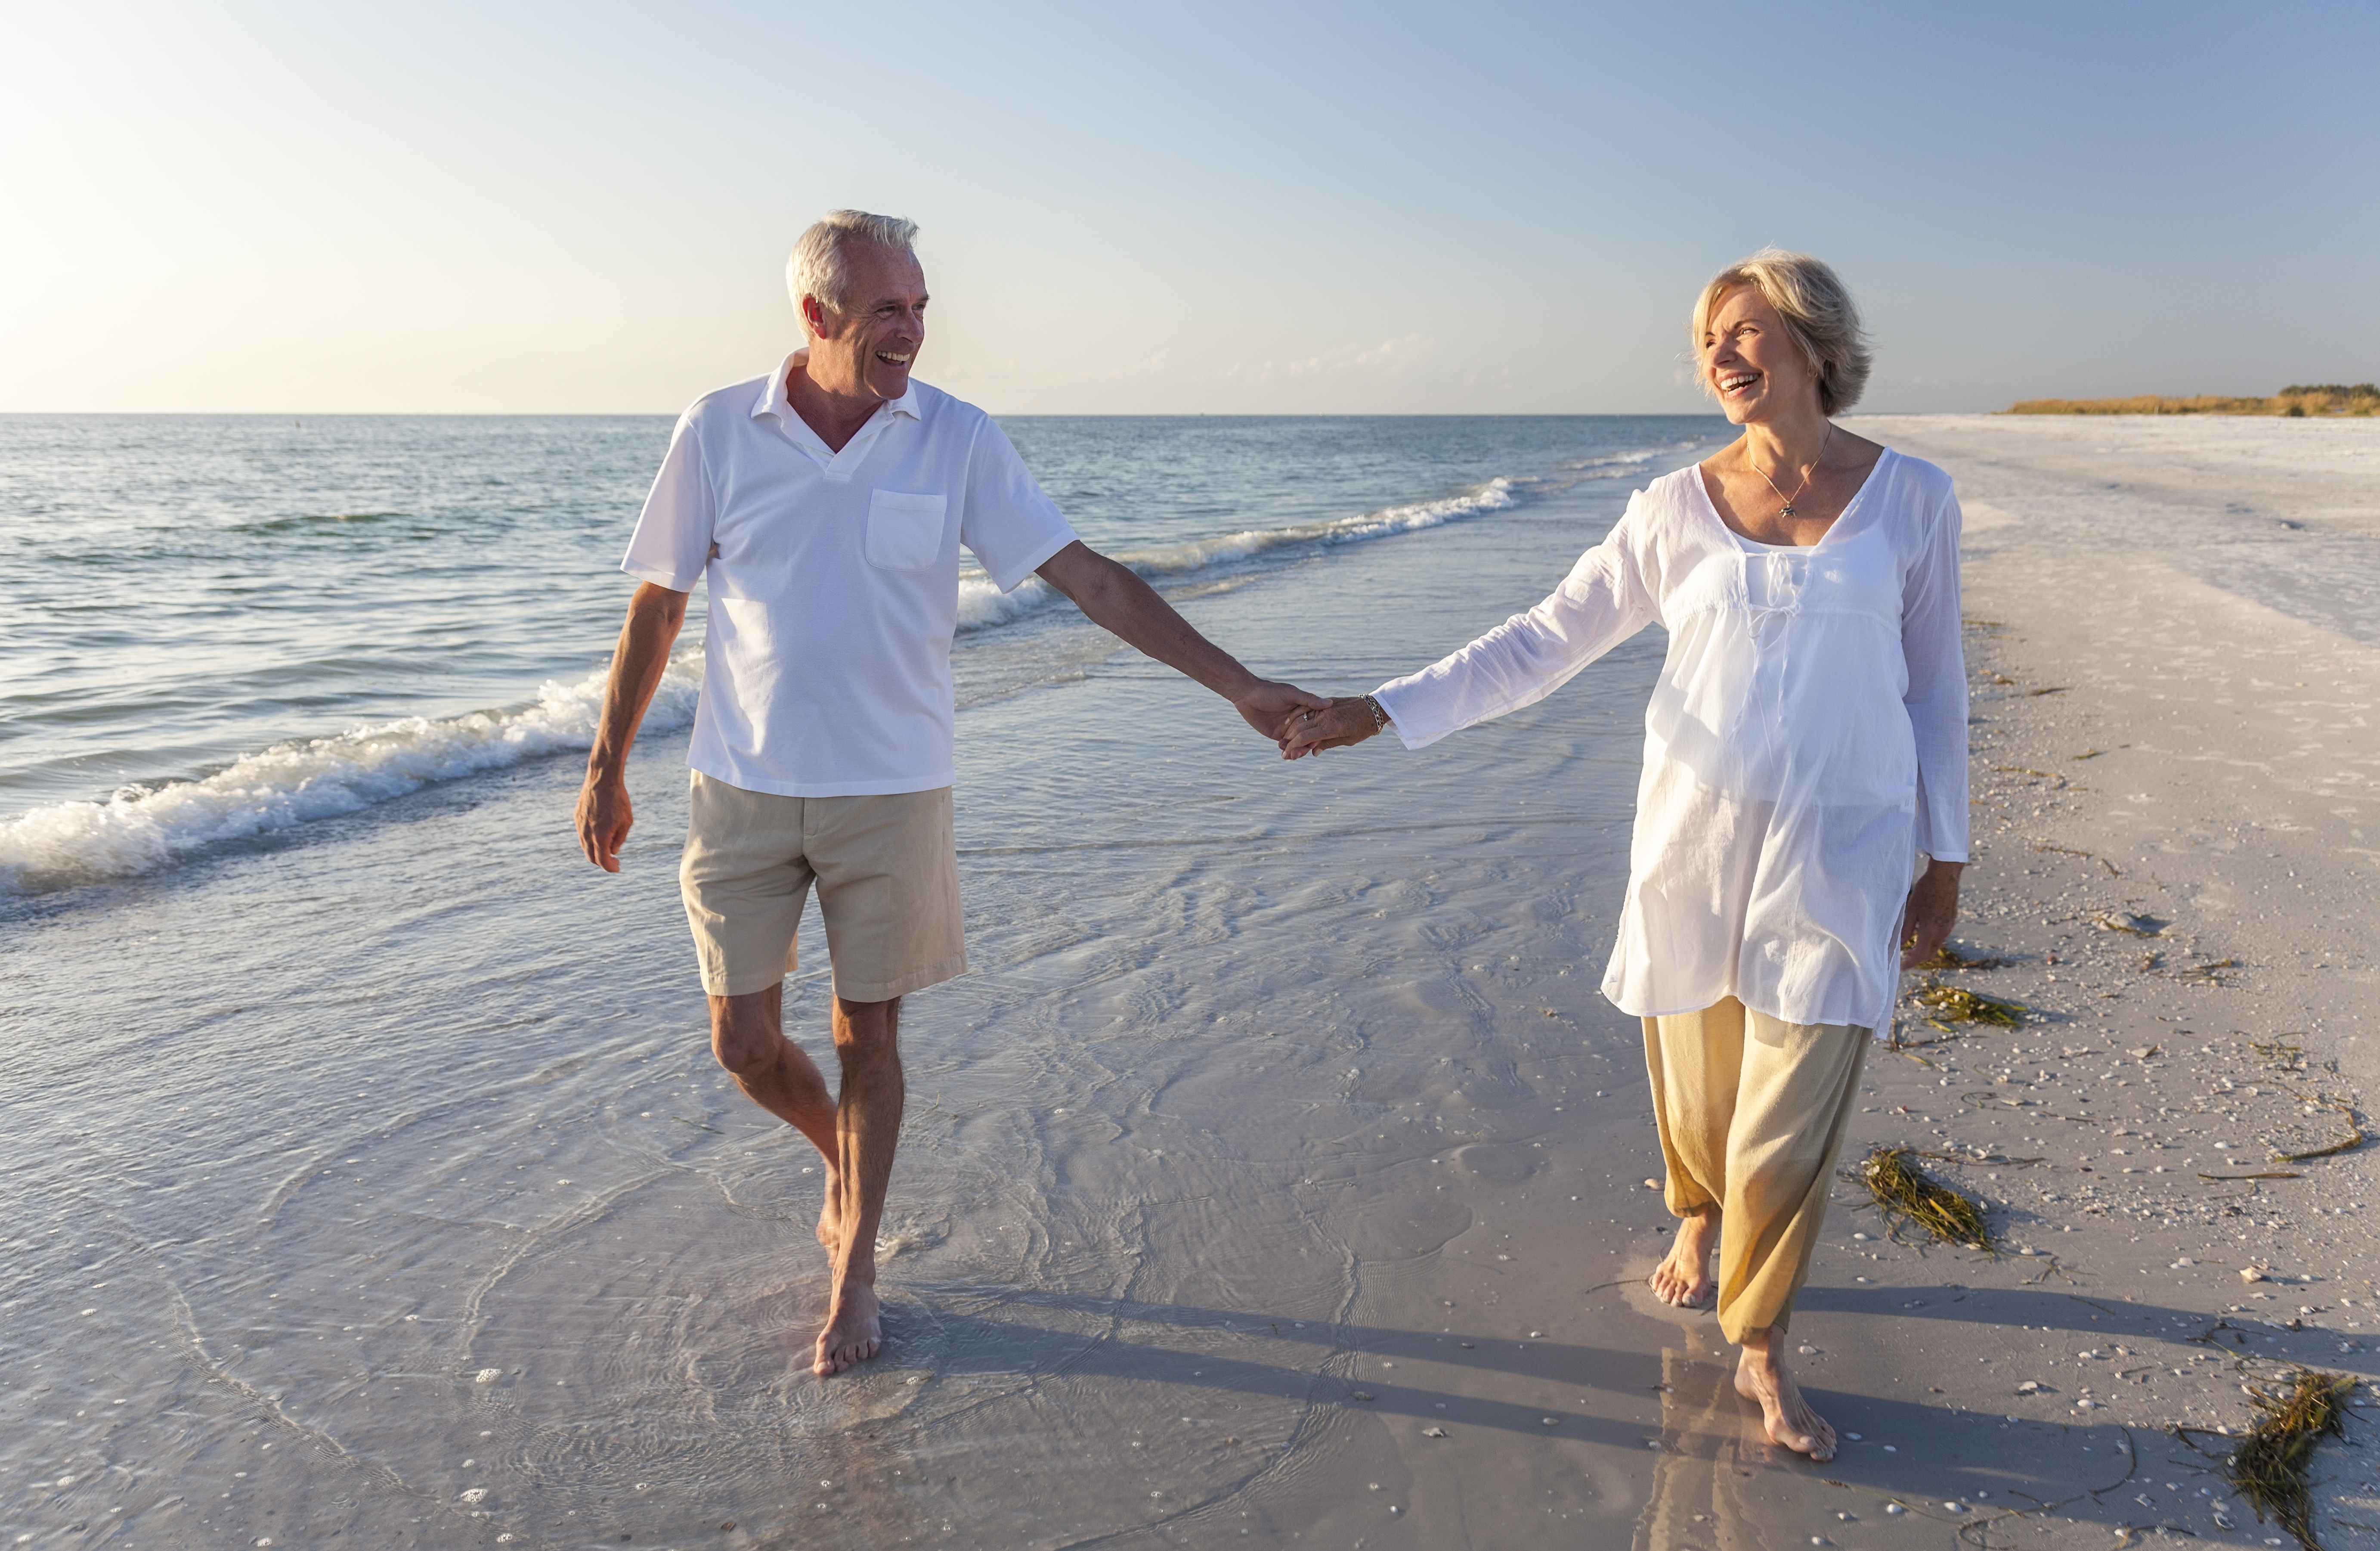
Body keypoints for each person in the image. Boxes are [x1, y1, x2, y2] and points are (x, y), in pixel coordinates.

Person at [576, 210, 1322, 1378]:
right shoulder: (718, 430)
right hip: (741, 786)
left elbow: (1087, 578)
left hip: (894, 793)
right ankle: (842, 1154)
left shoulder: (957, 439)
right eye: (889, 310)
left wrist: (1231, 683)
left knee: (868, 1031)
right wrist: (605, 764)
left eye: (922, 308)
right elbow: (659, 605)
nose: (913, 332)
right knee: (744, 1042)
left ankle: (855, 1264)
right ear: (817, 317)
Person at [1284, 249, 1968, 1461]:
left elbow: (1934, 691)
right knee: (1699, 1094)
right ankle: (1692, 1215)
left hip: (1842, 844)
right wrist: (1380, 707)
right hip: (1694, 844)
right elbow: (1545, 638)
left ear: (1813, 346)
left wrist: (1945, 854)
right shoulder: (1669, 506)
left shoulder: (1911, 499)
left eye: (1745, 331)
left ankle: (1759, 1342)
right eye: (1707, 337)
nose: (1720, 355)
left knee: (1789, 1108)